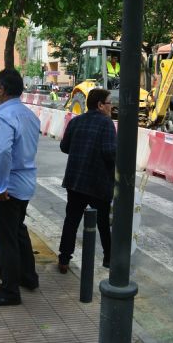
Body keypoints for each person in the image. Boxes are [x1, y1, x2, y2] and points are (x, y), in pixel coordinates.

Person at [0, 68, 40, 307]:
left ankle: (9, 290)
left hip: (8, 187)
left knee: (5, 240)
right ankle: (28, 277)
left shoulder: (5, 117)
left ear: (2, 89)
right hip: (25, 183)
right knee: (18, 231)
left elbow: (2, 152)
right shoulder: (29, 115)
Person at [57, 88, 116, 273]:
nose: (111, 106)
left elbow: (64, 147)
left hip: (75, 180)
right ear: (100, 105)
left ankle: (64, 259)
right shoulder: (106, 124)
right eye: (109, 103)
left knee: (71, 220)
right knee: (103, 223)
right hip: (98, 182)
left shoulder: (75, 121)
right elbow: (109, 152)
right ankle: (108, 258)